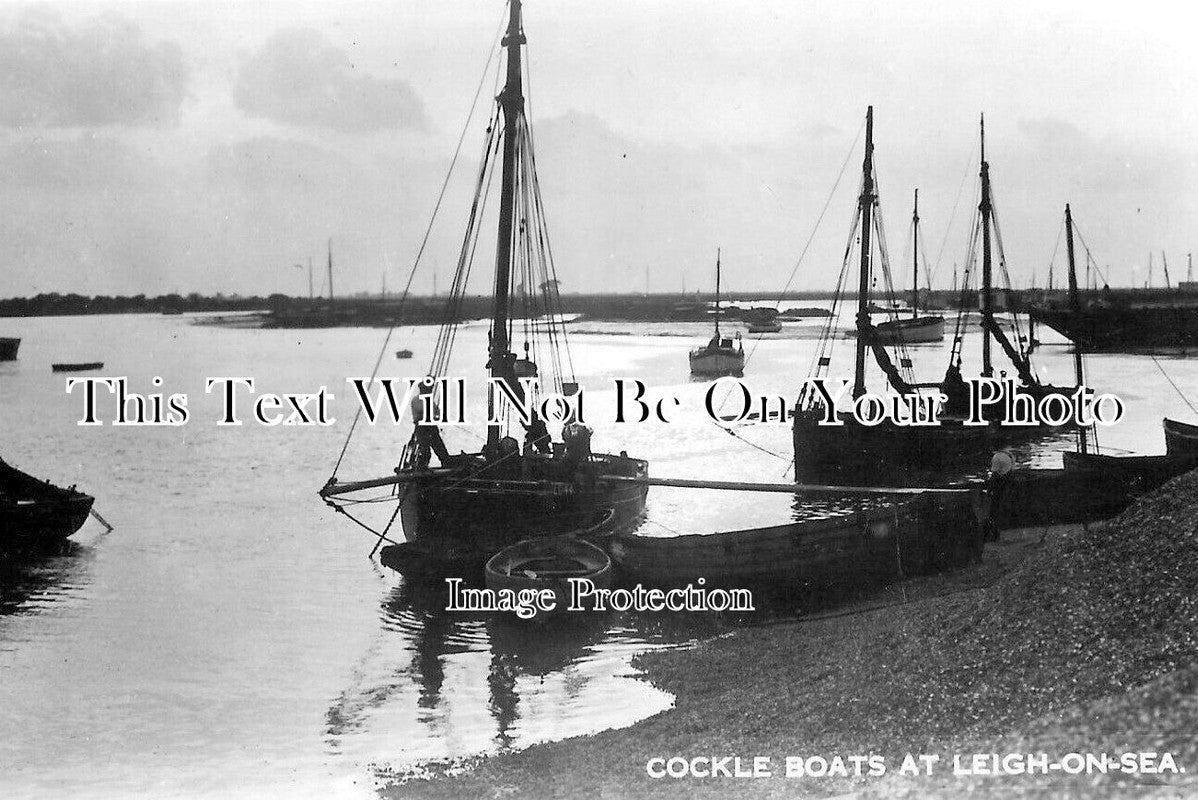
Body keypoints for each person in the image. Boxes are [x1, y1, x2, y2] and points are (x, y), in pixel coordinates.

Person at [410, 379, 451, 469]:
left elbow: (438, 413)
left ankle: (446, 463)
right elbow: (422, 411)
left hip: (431, 427)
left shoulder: (430, 401)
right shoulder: (416, 400)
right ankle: (422, 468)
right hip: (422, 428)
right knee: (425, 451)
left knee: (441, 449)